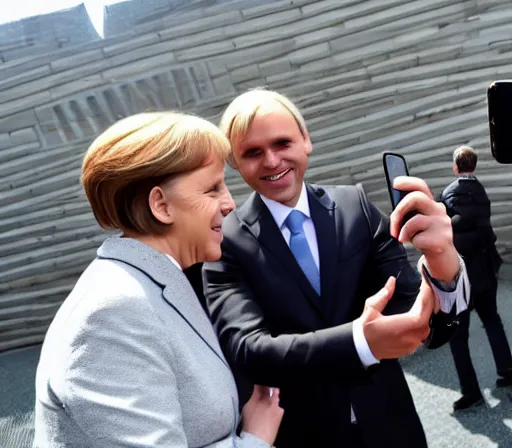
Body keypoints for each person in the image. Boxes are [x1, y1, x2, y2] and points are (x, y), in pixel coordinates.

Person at [202, 89, 470, 448]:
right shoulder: (224, 243)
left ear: (306, 140)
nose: (270, 161)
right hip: (305, 436)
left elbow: (422, 323)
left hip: (391, 426)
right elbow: (250, 351)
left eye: (282, 143)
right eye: (252, 152)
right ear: (234, 161)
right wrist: (360, 341)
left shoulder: (354, 206)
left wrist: (442, 262)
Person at [33, 112, 284, 448]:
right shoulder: (114, 314)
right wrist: (255, 438)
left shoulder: (151, 282)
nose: (229, 204)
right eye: (212, 189)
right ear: (161, 205)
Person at [440, 145, 512, 411]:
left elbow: (444, 236)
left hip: (460, 277)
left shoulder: (447, 195)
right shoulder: (481, 194)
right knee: (492, 320)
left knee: (458, 337)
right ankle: (507, 370)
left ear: (456, 166)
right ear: (474, 165)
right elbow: (486, 232)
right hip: (483, 270)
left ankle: (471, 392)